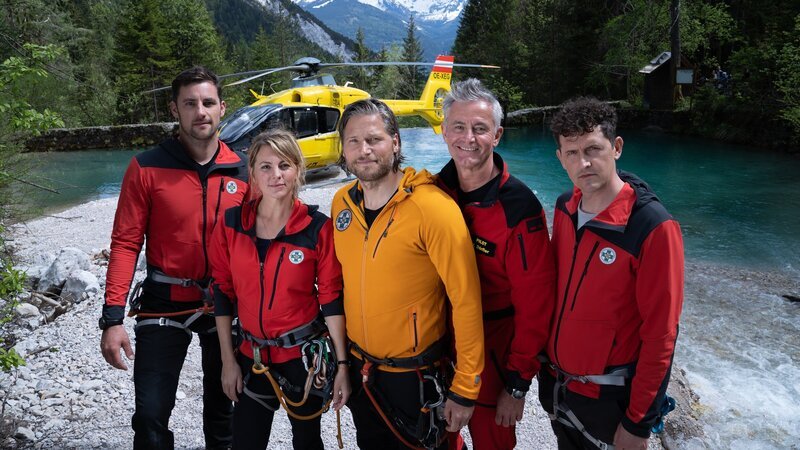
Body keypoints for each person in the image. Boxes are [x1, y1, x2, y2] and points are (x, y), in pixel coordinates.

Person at [99, 66, 247, 449]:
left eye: (208, 103)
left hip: (225, 304)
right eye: (190, 103)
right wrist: (113, 318)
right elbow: (126, 243)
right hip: (164, 302)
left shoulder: (245, 170)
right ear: (174, 110)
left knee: (225, 412)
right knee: (150, 415)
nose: (201, 111)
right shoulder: (146, 167)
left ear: (222, 108)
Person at [330, 98, 485, 449]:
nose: (363, 150)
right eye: (353, 141)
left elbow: (466, 299)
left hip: (416, 377)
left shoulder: (432, 208)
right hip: (361, 370)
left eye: (374, 139)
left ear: (396, 143)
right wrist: (342, 364)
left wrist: (466, 385)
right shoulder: (342, 202)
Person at [539, 97, 684, 450]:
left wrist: (638, 423)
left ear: (616, 147)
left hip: (610, 400)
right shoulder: (564, 209)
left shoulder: (651, 226)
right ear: (560, 158)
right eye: (571, 153)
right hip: (559, 389)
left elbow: (661, 335)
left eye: (593, 149)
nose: (583, 162)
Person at [208, 128, 350, 449]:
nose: (276, 175)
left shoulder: (318, 229)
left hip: (302, 359)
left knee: (307, 442)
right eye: (266, 167)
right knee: (245, 441)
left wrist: (342, 366)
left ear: (299, 169)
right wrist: (228, 362)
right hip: (250, 356)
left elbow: (330, 299)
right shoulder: (231, 224)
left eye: (284, 165)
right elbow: (222, 291)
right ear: (253, 175)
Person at [436, 79, 555, 450]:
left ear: (498, 134)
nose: (468, 138)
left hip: (495, 358)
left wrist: (517, 384)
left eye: (480, 128)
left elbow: (536, 307)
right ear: (444, 132)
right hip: (439, 350)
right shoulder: (434, 193)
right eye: (458, 126)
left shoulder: (519, 208)